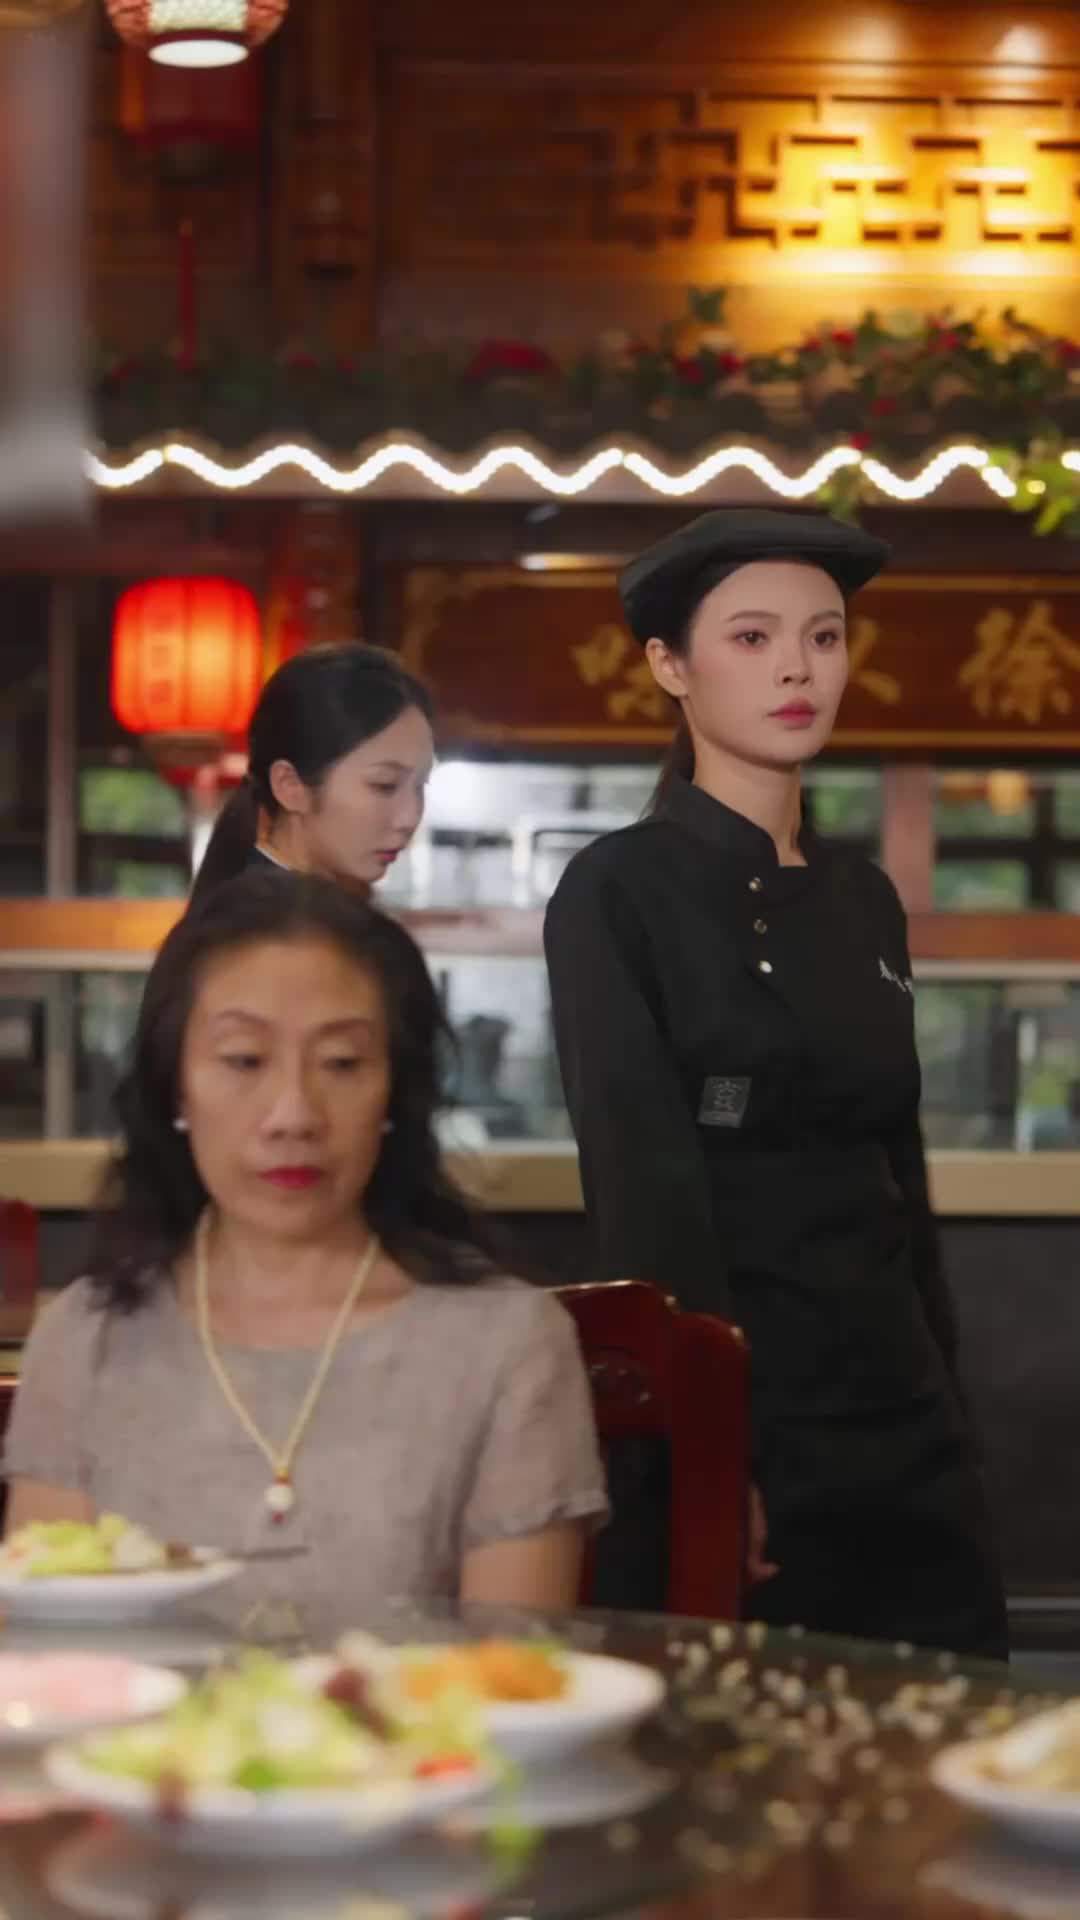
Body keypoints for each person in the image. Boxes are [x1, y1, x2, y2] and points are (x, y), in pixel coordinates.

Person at [544, 507, 1006, 1658]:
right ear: (671, 667)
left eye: (824, 636)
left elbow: (901, 1171)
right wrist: (711, 1451)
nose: (798, 668)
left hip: (901, 1412)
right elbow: (643, 1188)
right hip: (739, 1411)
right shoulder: (616, 890)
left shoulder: (864, 899)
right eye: (752, 638)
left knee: (944, 1731)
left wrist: (948, 1404)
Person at [5, 872, 607, 1638]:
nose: (293, 1115)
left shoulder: (508, 1345)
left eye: (342, 1063)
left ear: (396, 1091)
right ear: (175, 1088)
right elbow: (45, 1661)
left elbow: (513, 1675)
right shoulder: (85, 1340)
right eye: (244, 1060)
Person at [189, 644, 434, 907]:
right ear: (289, 785)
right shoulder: (271, 924)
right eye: (385, 785)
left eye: (421, 785)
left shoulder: (304, 910)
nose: (410, 818)